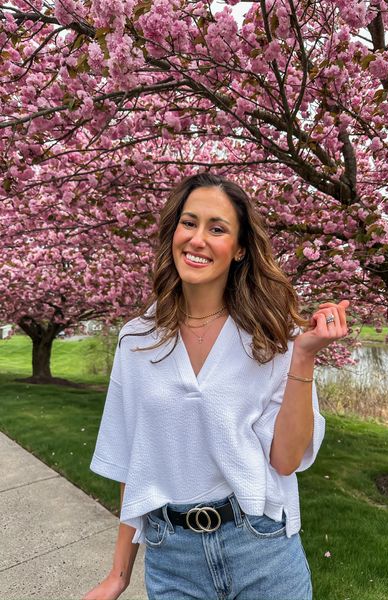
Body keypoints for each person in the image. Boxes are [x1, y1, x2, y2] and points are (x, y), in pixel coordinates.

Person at [83, 172, 349, 600]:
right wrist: (118, 575)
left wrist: (304, 356)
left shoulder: (270, 337)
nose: (197, 239)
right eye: (189, 223)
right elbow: (133, 460)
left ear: (240, 248)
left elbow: (285, 460)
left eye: (217, 228)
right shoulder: (137, 338)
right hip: (172, 558)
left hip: (260, 547)